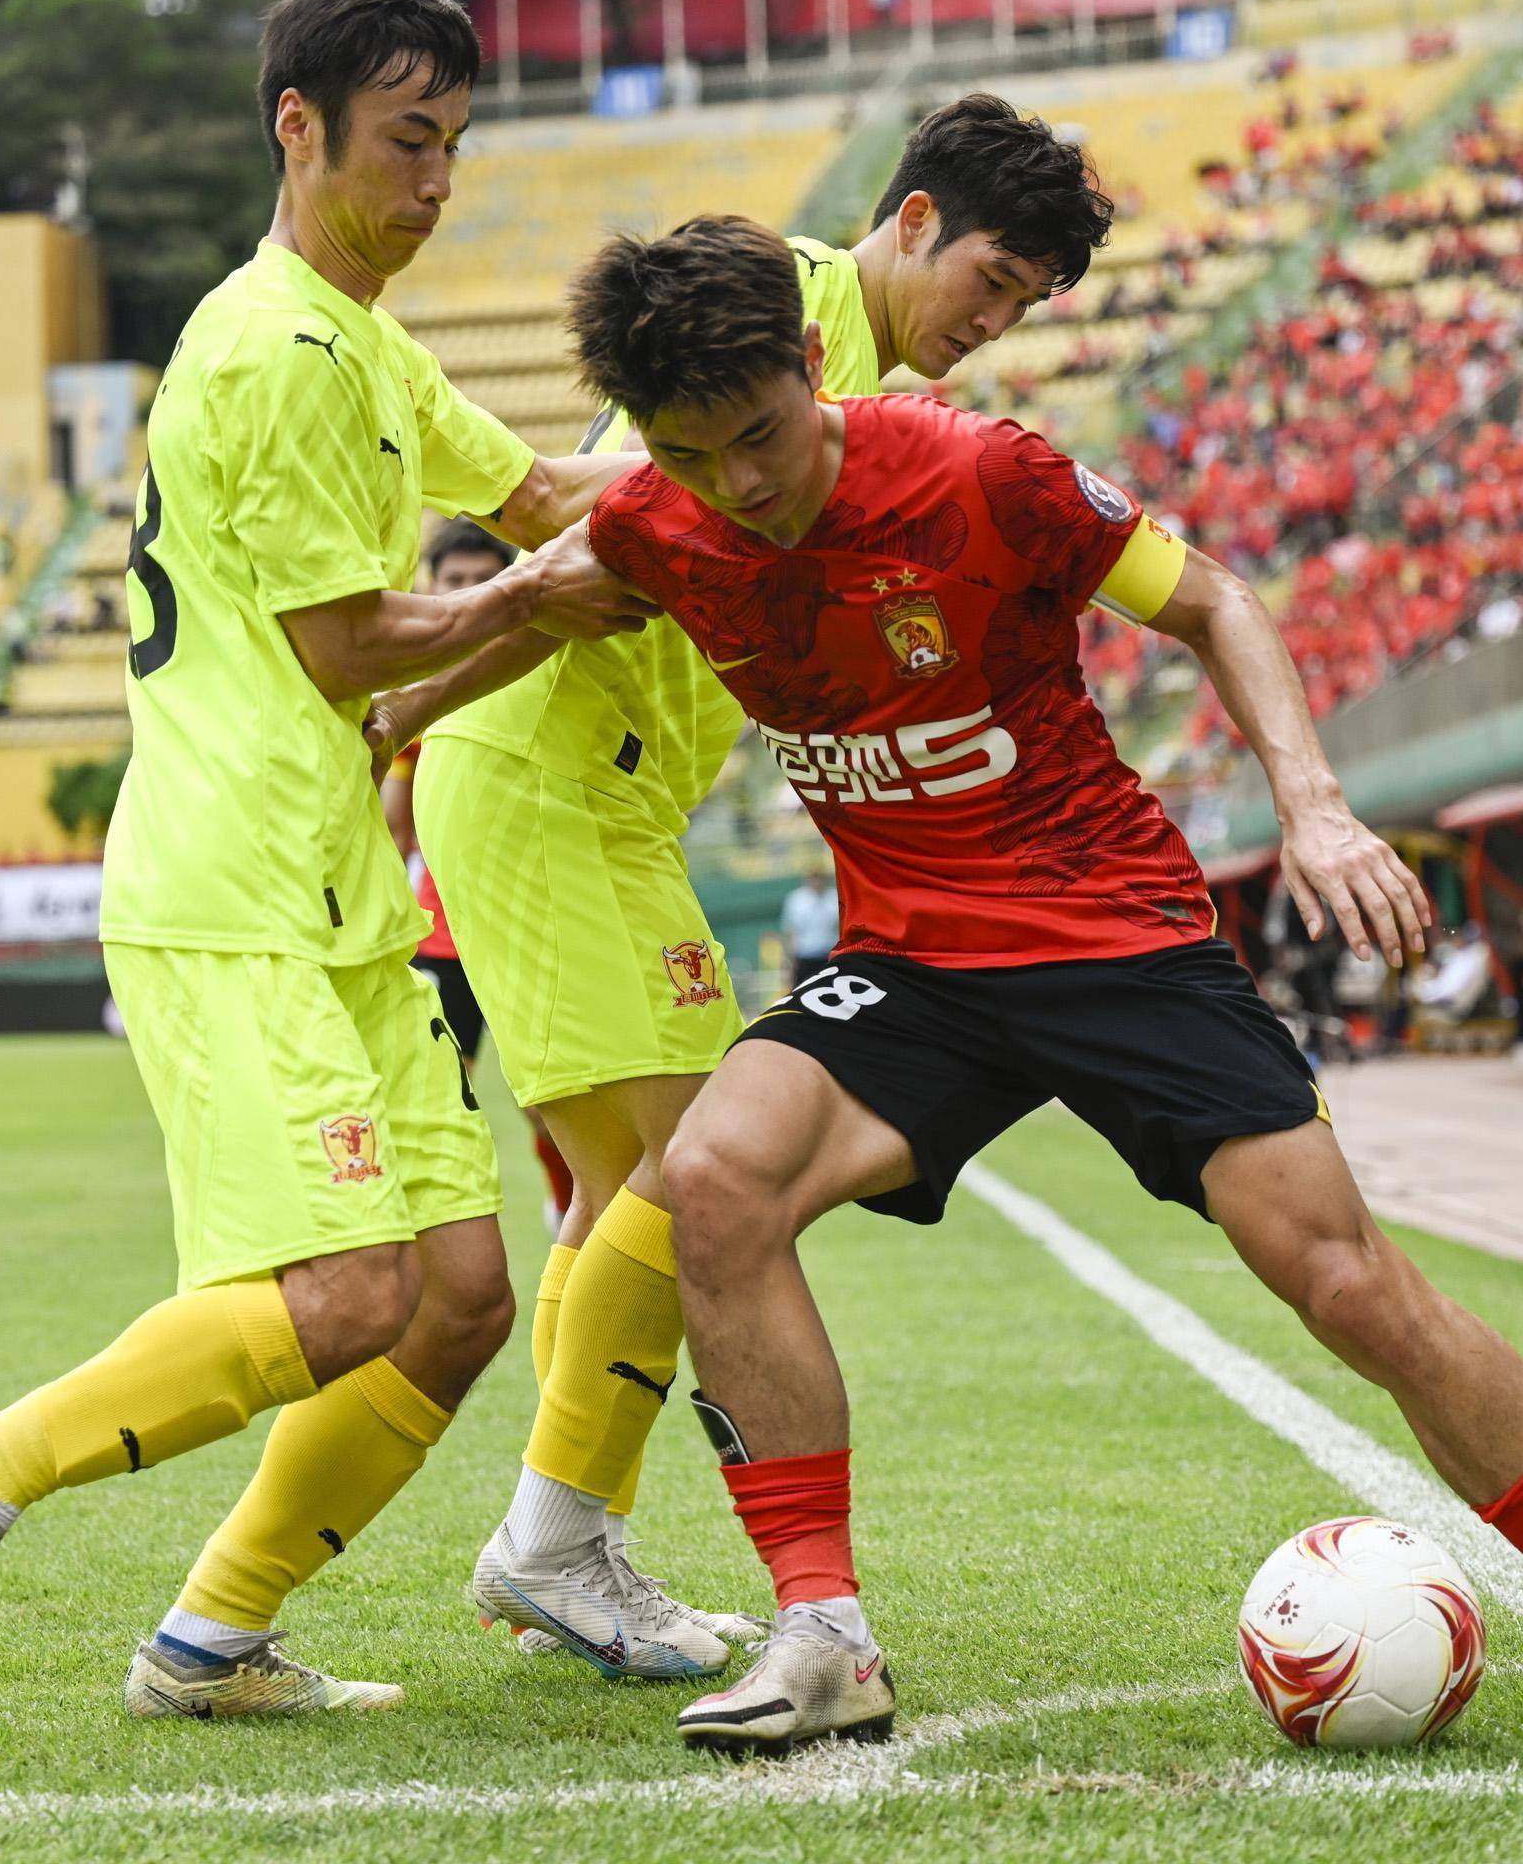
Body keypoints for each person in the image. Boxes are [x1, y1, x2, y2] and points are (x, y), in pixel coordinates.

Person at [564, 215, 1523, 1757]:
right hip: (912, 965)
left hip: (1109, 933)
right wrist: (378, 700)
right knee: (716, 1180)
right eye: (689, 454)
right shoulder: (662, 518)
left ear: (813, 367)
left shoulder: (984, 469)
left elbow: (1213, 602)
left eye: (758, 437)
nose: (736, 484)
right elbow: (529, 569)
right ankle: (823, 1637)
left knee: (1343, 1281)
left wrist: (1315, 805)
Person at [0, 0, 653, 1722]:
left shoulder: (365, 340)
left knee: (452, 1298)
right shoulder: (274, 349)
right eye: (403, 142)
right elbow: (354, 647)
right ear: (298, 129)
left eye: (451, 145)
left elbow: (536, 498)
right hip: (232, 894)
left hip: (336, 896)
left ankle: (209, 1644)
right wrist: (549, 586)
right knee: (351, 1288)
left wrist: (747, 480)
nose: (434, 183)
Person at [369, 95, 1117, 1678]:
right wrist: (404, 695)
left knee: (625, 1205)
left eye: (1025, 305)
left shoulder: (850, 369)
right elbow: (593, 518)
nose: (990, 325)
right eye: (988, 279)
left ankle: (555, 1544)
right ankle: (555, 1539)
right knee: (705, 1172)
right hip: (559, 783)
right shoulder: (761, 315)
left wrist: (405, 725)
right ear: (908, 220)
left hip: (596, 797)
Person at [379, 520, 580, 1227]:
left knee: (554, 1099)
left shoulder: (537, 671)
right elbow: (397, 826)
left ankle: (570, 1211)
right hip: (441, 937)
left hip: (527, 923)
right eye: (451, 582)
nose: (464, 594)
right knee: (436, 1096)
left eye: (478, 580)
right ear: (427, 587)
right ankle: (435, 1231)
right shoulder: (412, 689)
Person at [779, 850, 841, 978]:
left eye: (820, 876)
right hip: (805, 957)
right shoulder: (796, 899)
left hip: (829, 956)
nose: (817, 881)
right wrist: (789, 961)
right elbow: (790, 931)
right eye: (814, 876)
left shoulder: (834, 897)